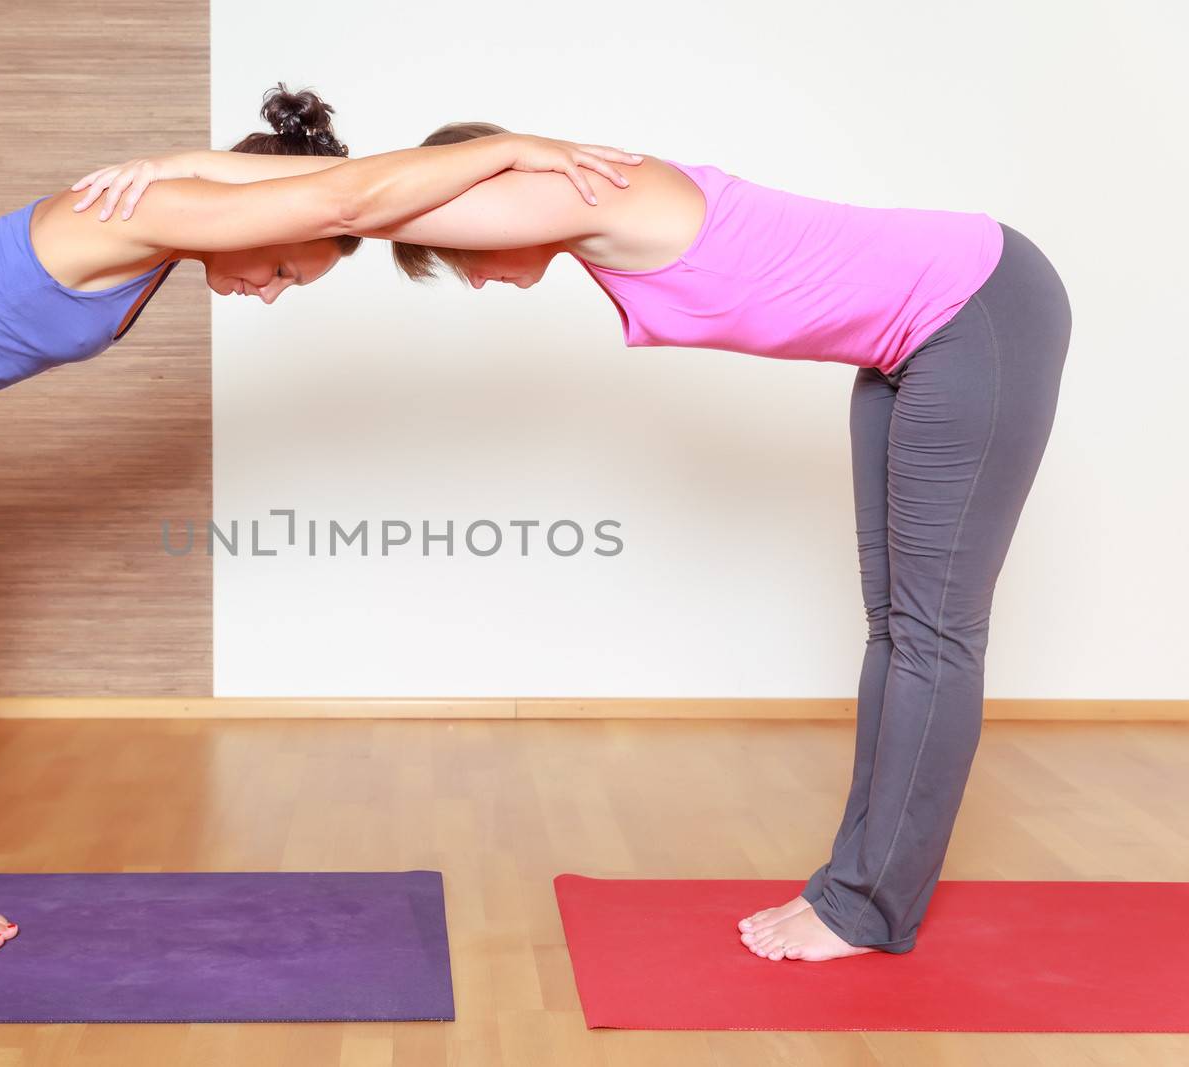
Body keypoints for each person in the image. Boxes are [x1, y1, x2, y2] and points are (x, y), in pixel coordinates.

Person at [76, 118, 1071, 962]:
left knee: (932, 631)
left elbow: (349, 197)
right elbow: (360, 192)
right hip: (905, 340)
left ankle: (865, 906)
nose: (467, 276)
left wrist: (179, 174)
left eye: (458, 255)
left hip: (973, 310)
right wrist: (184, 171)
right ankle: (850, 882)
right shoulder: (588, 204)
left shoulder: (578, 189)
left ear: (494, 193)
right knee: (896, 625)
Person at [0, 87, 639, 966]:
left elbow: (272, 179)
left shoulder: (171, 201)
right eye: (280, 266)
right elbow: (346, 194)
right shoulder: (157, 214)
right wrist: (509, 150)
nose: (272, 289)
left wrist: (183, 161)